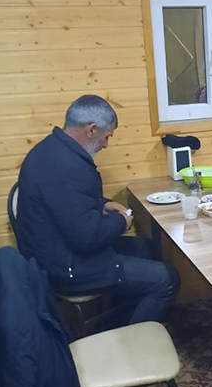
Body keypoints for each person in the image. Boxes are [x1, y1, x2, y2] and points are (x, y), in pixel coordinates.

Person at [16, 95, 180, 326]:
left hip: (53, 253)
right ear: (92, 130)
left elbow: (70, 202)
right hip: (67, 267)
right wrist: (122, 222)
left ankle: (114, 324)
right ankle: (132, 337)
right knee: (167, 279)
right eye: (107, 137)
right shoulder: (68, 166)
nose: (106, 145)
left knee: (145, 247)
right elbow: (88, 237)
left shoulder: (51, 150)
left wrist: (102, 205)